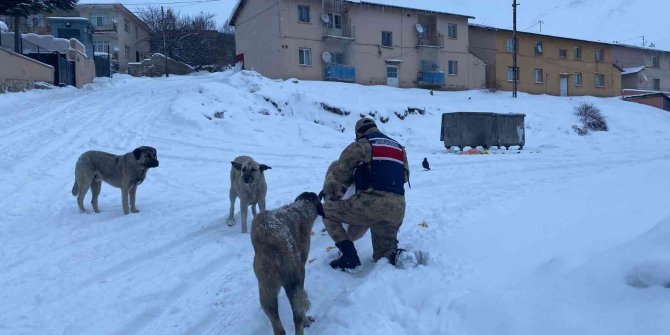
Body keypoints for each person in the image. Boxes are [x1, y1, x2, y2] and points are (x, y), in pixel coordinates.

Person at [323, 117, 415, 270]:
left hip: (370, 204)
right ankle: (399, 257)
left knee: (326, 211)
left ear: (359, 133)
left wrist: (334, 193)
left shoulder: (361, 145)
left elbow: (340, 173)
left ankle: (349, 256)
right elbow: (404, 178)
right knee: (384, 254)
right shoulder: (399, 148)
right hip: (396, 209)